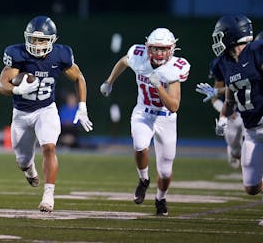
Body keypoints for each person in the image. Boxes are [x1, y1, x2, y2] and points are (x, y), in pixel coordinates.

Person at [0, 15, 93, 212]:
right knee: (22, 160)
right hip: (21, 113)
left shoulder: (61, 55)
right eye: (34, 39)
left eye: (42, 40)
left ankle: (48, 196)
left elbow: (79, 77)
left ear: (52, 40)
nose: (37, 44)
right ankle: (29, 169)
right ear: (27, 38)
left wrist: (82, 106)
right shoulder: (17, 54)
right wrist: (16, 90)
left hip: (46, 110)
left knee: (49, 147)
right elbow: (1, 85)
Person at [99, 28, 190, 216]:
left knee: (165, 171)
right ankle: (144, 180)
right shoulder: (138, 55)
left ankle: (160, 198)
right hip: (143, 113)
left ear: (172, 49)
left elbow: (173, 106)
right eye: (155, 48)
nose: (159, 53)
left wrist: (158, 85)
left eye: (163, 49)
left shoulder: (175, 67)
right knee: (140, 146)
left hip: (165, 118)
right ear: (148, 47)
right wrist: (110, 82)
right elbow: (123, 61)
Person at [210, 14, 262, 196]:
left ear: (231, 35)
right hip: (252, 130)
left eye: (220, 35)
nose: (218, 40)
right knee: (251, 187)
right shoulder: (225, 62)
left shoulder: (257, 50)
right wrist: (223, 117)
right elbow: (231, 95)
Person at [196, 58, 245, 169]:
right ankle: (235, 152)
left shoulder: (253, 58)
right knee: (234, 143)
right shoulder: (220, 63)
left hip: (252, 107)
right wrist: (225, 113)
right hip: (232, 110)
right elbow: (215, 99)